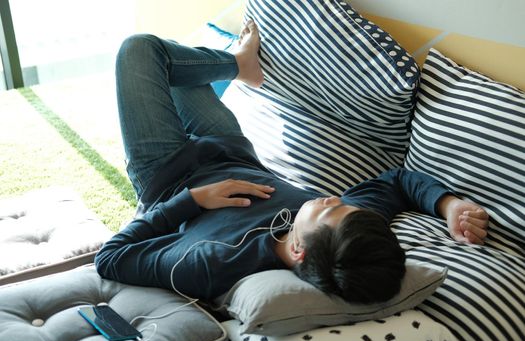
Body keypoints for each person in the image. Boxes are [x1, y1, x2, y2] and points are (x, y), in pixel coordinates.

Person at [95, 20, 489, 303]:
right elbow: (400, 181)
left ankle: (236, 66)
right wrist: (449, 205)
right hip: (228, 144)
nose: (333, 199)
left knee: (141, 50)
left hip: (165, 170)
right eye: (343, 205)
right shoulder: (349, 228)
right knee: (176, 62)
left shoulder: (213, 262)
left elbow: (111, 258)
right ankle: (240, 66)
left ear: (299, 250)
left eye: (327, 212)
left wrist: (193, 200)